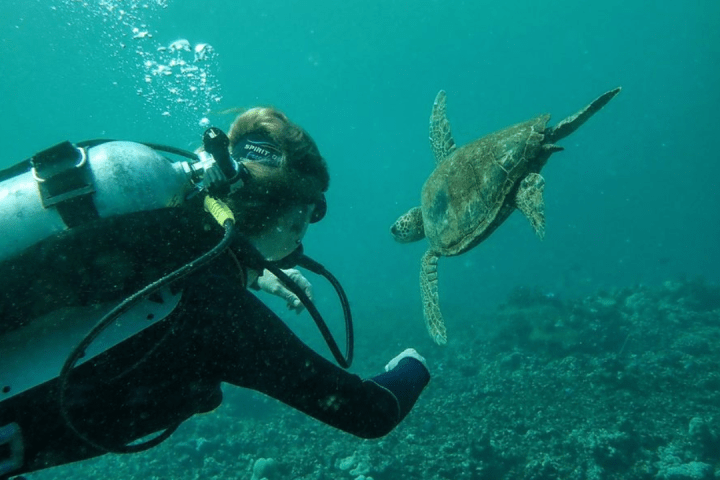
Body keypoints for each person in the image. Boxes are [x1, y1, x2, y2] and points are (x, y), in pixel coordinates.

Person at [0, 107, 430, 478]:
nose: (304, 235)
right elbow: (372, 413)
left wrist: (255, 276)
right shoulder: (219, 312)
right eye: (311, 213)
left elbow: (125, 269)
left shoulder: (154, 237)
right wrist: (415, 363)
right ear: (294, 214)